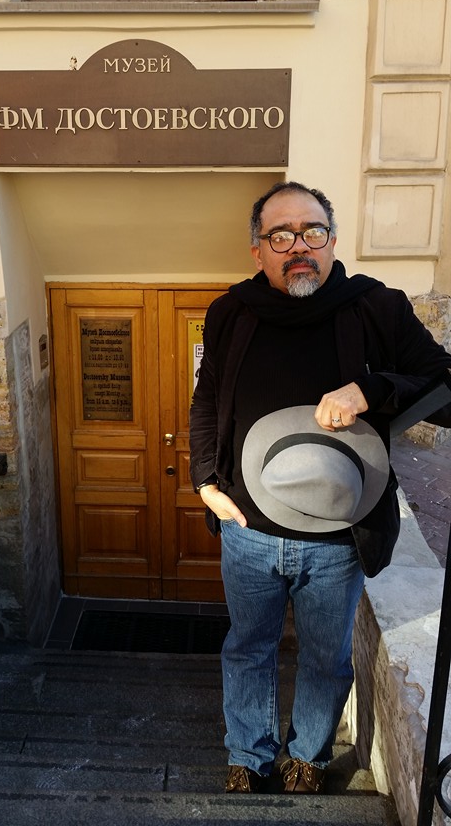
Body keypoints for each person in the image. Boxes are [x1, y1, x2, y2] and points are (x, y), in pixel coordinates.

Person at [189, 181, 451, 795]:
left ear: (332, 241)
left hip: (339, 537)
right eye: (281, 236)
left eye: (312, 231)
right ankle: (249, 757)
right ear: (258, 250)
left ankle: (307, 754)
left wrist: (373, 390)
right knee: (247, 648)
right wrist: (204, 481)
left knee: (326, 659)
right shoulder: (231, 312)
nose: (298, 246)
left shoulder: (377, 308)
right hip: (247, 529)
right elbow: (206, 398)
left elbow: (446, 386)